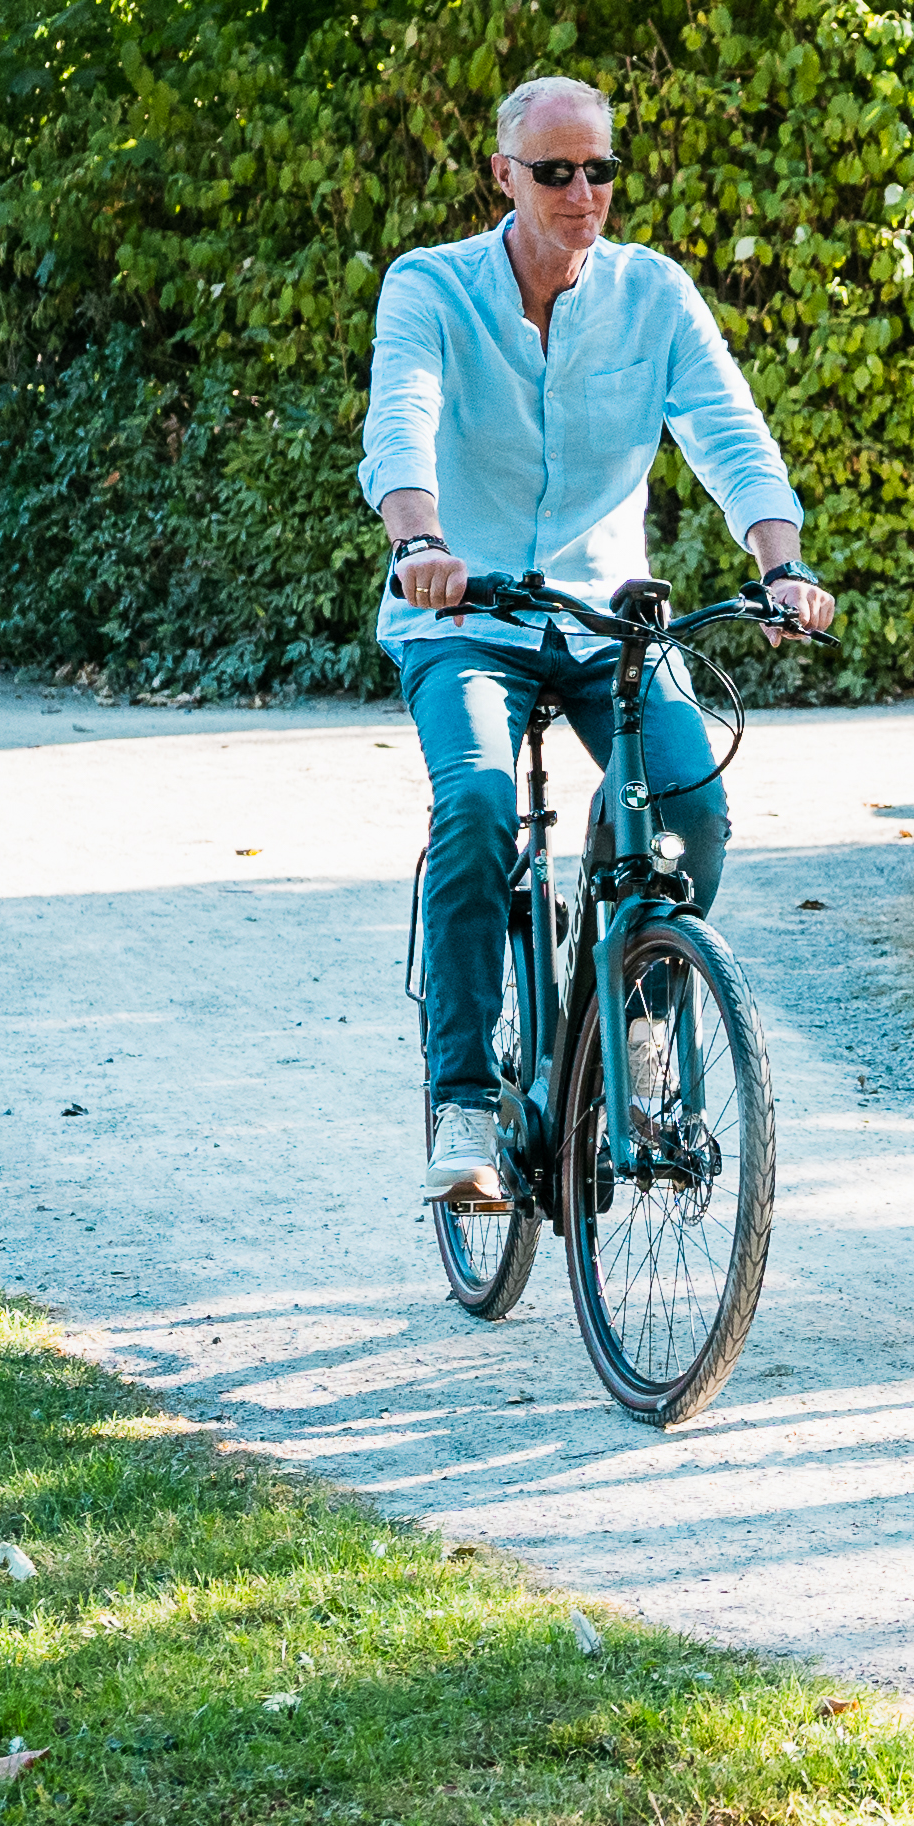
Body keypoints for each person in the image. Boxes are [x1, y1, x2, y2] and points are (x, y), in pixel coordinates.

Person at [363, 76, 834, 1208]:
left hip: (601, 617)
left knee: (689, 802)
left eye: (602, 170)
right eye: (557, 172)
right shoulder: (429, 286)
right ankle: (468, 1097)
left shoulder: (652, 295)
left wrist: (781, 561)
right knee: (476, 802)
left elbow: (730, 430)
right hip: (464, 612)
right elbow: (402, 417)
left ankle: (637, 1021)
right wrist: (421, 537)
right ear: (504, 175)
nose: (585, 194)